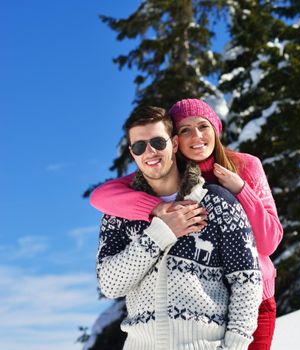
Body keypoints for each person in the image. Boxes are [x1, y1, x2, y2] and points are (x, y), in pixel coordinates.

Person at [91, 99, 283, 350]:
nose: (197, 136)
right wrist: (159, 216)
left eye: (203, 126)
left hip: (255, 300)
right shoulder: (138, 194)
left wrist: (241, 190)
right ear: (177, 140)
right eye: (185, 130)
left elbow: (265, 248)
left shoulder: (240, 172)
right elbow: (101, 196)